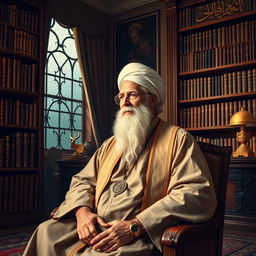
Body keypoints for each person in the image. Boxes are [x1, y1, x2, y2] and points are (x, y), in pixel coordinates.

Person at [23, 62, 217, 256]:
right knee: (46, 232)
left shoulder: (178, 139)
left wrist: (135, 226)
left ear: (152, 100)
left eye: (132, 95)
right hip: (95, 224)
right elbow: (83, 180)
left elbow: (195, 192)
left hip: (138, 235)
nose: (124, 103)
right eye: (121, 96)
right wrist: (82, 213)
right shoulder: (110, 144)